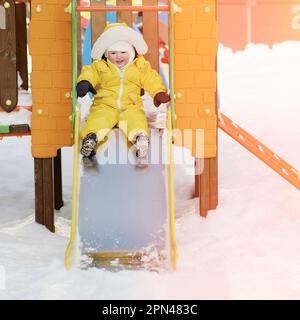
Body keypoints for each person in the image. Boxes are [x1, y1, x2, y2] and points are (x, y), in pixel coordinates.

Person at [76, 23, 170, 163]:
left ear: (131, 51)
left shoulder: (139, 67)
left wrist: (158, 92)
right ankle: (91, 139)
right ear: (107, 53)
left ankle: (140, 138)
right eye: (113, 53)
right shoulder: (101, 66)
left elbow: (151, 78)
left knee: (135, 119)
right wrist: (84, 81)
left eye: (123, 52)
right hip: (105, 106)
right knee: (99, 120)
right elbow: (90, 72)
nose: (118, 57)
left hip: (130, 106)